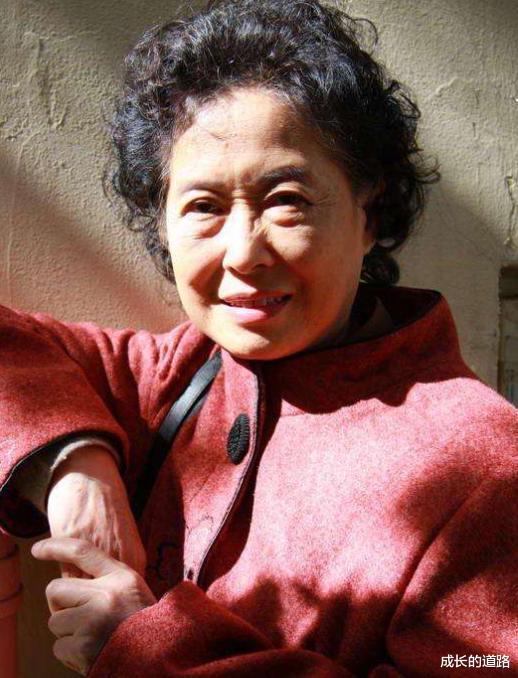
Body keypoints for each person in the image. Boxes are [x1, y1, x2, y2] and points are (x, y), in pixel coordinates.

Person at [0, 0, 516, 676]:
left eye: (286, 201)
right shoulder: (177, 374)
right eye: (203, 207)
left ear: (370, 212)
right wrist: (75, 469)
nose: (243, 253)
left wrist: (147, 646)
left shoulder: (484, 469)